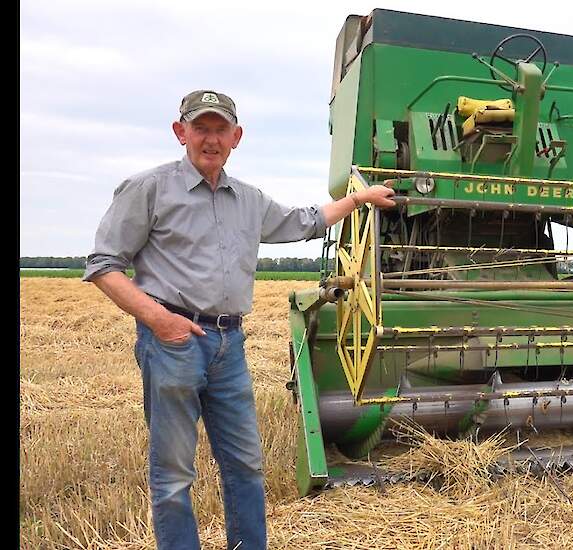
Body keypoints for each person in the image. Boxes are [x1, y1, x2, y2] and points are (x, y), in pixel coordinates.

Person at [83, 89, 395, 550]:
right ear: (180, 132)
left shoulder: (248, 199)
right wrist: (159, 321)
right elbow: (103, 264)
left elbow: (303, 222)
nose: (211, 139)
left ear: (237, 137)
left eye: (220, 130)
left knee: (246, 466)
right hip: (173, 345)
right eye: (201, 128)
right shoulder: (148, 188)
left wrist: (359, 199)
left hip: (230, 346)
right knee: (173, 475)